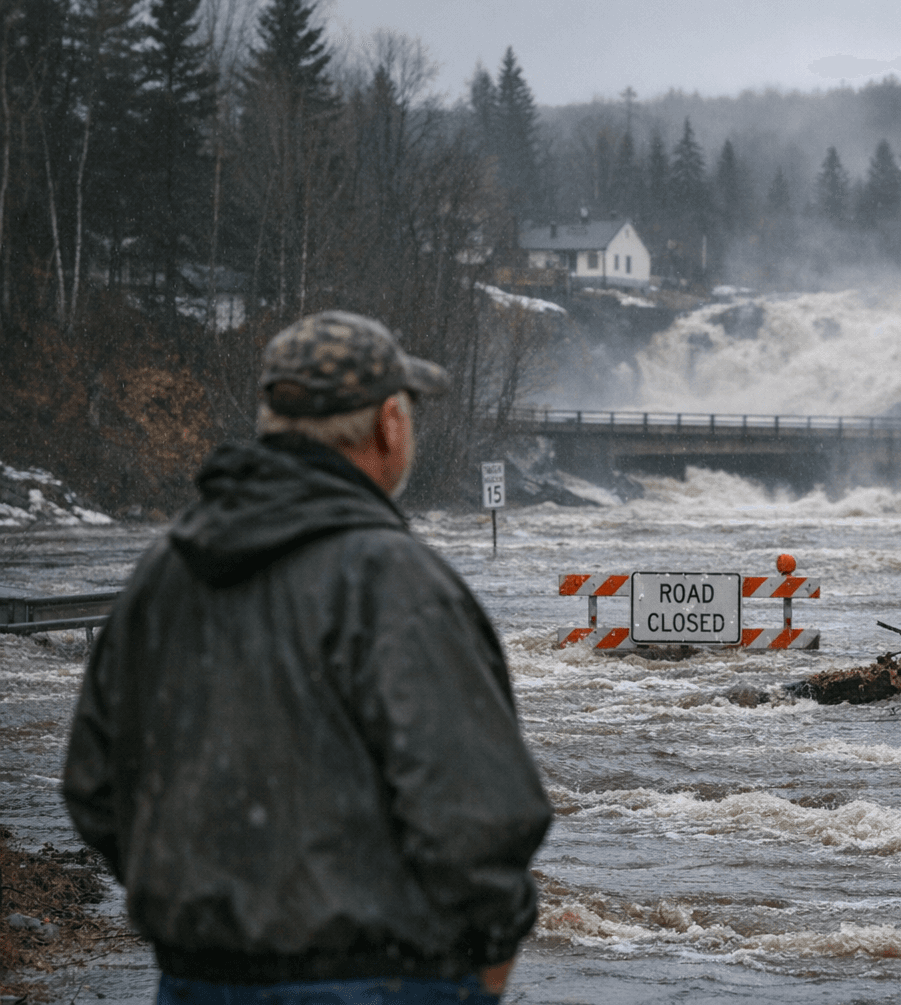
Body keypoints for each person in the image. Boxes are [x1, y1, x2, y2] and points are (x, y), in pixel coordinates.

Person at [63, 311, 552, 1005]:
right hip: (385, 979)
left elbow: (94, 784)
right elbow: (480, 811)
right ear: (389, 423)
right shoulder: (393, 580)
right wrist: (489, 955)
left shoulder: (162, 574)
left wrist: (201, 911)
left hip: (197, 979)